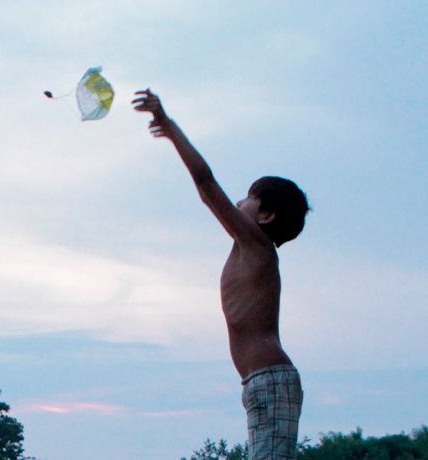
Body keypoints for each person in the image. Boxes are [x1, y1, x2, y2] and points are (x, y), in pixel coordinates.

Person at [132, 89, 310, 460]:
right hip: (261, 383)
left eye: (248, 197)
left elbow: (205, 184)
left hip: (270, 382)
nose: (239, 203)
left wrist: (169, 126)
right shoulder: (248, 247)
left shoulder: (257, 245)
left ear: (266, 217)